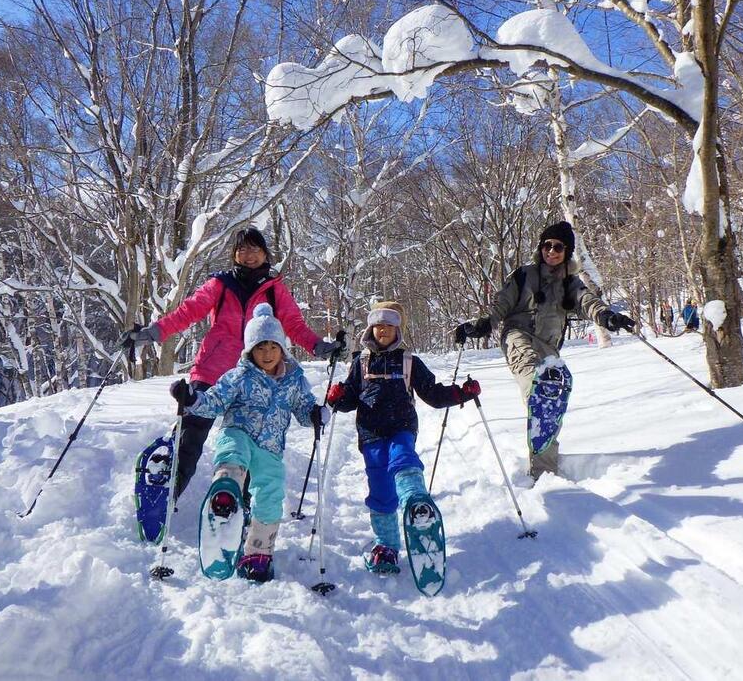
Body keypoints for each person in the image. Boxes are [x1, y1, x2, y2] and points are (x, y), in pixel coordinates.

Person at [121, 227, 343, 501]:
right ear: (234, 254)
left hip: (254, 376)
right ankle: (167, 493)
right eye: (242, 249)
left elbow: (294, 324)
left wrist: (319, 346)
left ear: (265, 254)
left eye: (254, 249)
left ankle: (241, 506)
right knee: (191, 433)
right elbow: (187, 312)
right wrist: (152, 333)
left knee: (250, 442)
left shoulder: (275, 291)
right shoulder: (220, 284)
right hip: (213, 369)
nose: (248, 255)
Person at [454, 221, 636, 481]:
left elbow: (587, 302)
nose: (551, 251)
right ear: (540, 248)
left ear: (567, 251)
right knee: (536, 379)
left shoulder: (571, 283)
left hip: (549, 347)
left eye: (558, 247)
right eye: (547, 245)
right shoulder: (524, 275)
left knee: (549, 403)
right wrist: (483, 325)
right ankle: (539, 394)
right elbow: (501, 304)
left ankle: (544, 473)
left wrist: (607, 316)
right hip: (518, 335)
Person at [170, 303, 326, 582]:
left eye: (272, 347)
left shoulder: (294, 379)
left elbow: (303, 408)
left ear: (282, 348)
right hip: (239, 432)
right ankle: (225, 497)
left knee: (271, 491)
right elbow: (215, 402)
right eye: (260, 348)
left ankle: (258, 551)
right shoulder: (238, 376)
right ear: (249, 350)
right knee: (233, 455)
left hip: (270, 447)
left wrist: (314, 414)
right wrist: (192, 399)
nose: (266, 354)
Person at [325, 301, 481, 573]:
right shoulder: (360, 362)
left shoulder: (410, 361)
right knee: (381, 486)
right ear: (370, 329)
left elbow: (432, 394)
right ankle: (386, 545)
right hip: (370, 432)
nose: (383, 330)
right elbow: (350, 398)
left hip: (402, 425)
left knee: (403, 457)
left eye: (389, 325)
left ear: (398, 329)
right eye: (378, 325)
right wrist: (337, 397)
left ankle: (416, 502)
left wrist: (461, 393)